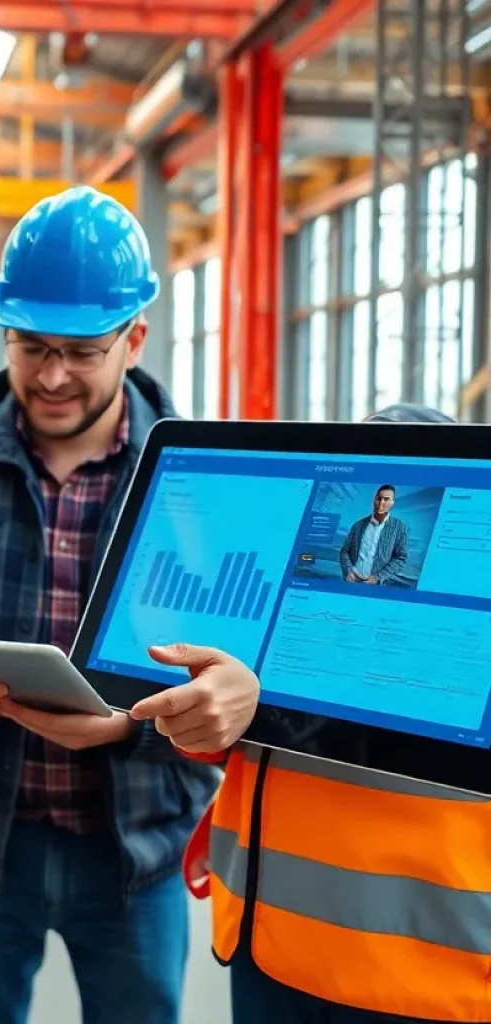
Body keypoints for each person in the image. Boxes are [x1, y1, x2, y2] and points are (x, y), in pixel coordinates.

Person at [0, 185, 255, 1024]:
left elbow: (230, 685)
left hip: (134, 850)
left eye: (80, 351)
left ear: (134, 338)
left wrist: (133, 726)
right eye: (29, 346)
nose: (51, 376)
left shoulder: (200, 488)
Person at [144, 401, 483, 1024]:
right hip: (268, 945)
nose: (382, 504)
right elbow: (237, 741)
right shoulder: (295, 606)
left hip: (429, 973)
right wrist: (207, 720)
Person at [338, 484, 408, 585]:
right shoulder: (358, 525)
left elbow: (400, 558)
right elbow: (344, 551)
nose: (381, 503)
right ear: (374, 500)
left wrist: (378, 578)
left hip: (375, 586)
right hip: (351, 581)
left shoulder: (400, 528)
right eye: (379, 498)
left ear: (392, 502)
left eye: (386, 499)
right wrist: (348, 572)